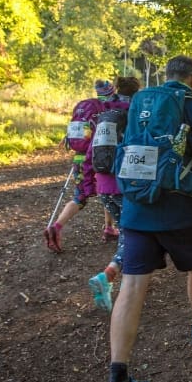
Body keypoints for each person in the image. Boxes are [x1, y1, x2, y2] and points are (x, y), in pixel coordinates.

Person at [98, 55, 192, 382]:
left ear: (166, 76)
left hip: (136, 209)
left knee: (131, 287)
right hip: (180, 211)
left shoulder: (142, 101)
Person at [82, 76, 141, 311]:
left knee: (127, 233)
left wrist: (87, 186)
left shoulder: (105, 115)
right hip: (123, 186)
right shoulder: (132, 114)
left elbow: (90, 153)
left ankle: (115, 278)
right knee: (132, 236)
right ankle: (107, 277)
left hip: (103, 187)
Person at [44, 79, 118, 252]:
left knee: (80, 196)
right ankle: (108, 229)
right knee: (108, 192)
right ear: (112, 92)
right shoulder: (107, 110)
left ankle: (57, 226)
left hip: (79, 158)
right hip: (99, 158)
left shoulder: (84, 108)